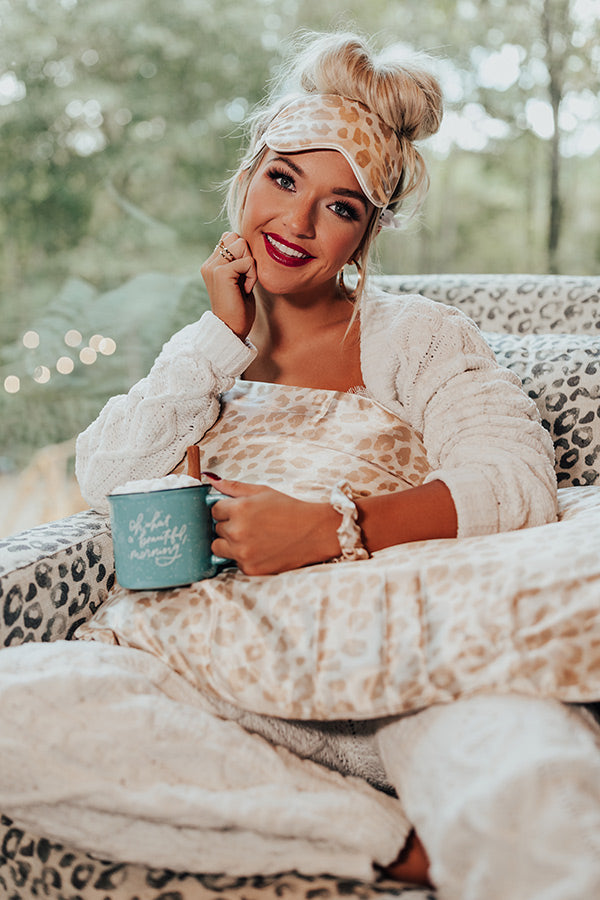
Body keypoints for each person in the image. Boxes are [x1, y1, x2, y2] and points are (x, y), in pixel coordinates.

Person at [3, 30, 600, 900]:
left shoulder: (414, 335)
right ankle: (390, 842)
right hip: (212, 673)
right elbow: (106, 477)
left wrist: (330, 527)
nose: (297, 224)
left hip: (407, 669)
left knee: (535, 792)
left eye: (340, 206)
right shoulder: (205, 352)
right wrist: (219, 337)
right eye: (284, 181)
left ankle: (435, 818)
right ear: (248, 175)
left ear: (367, 232)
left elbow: (515, 482)